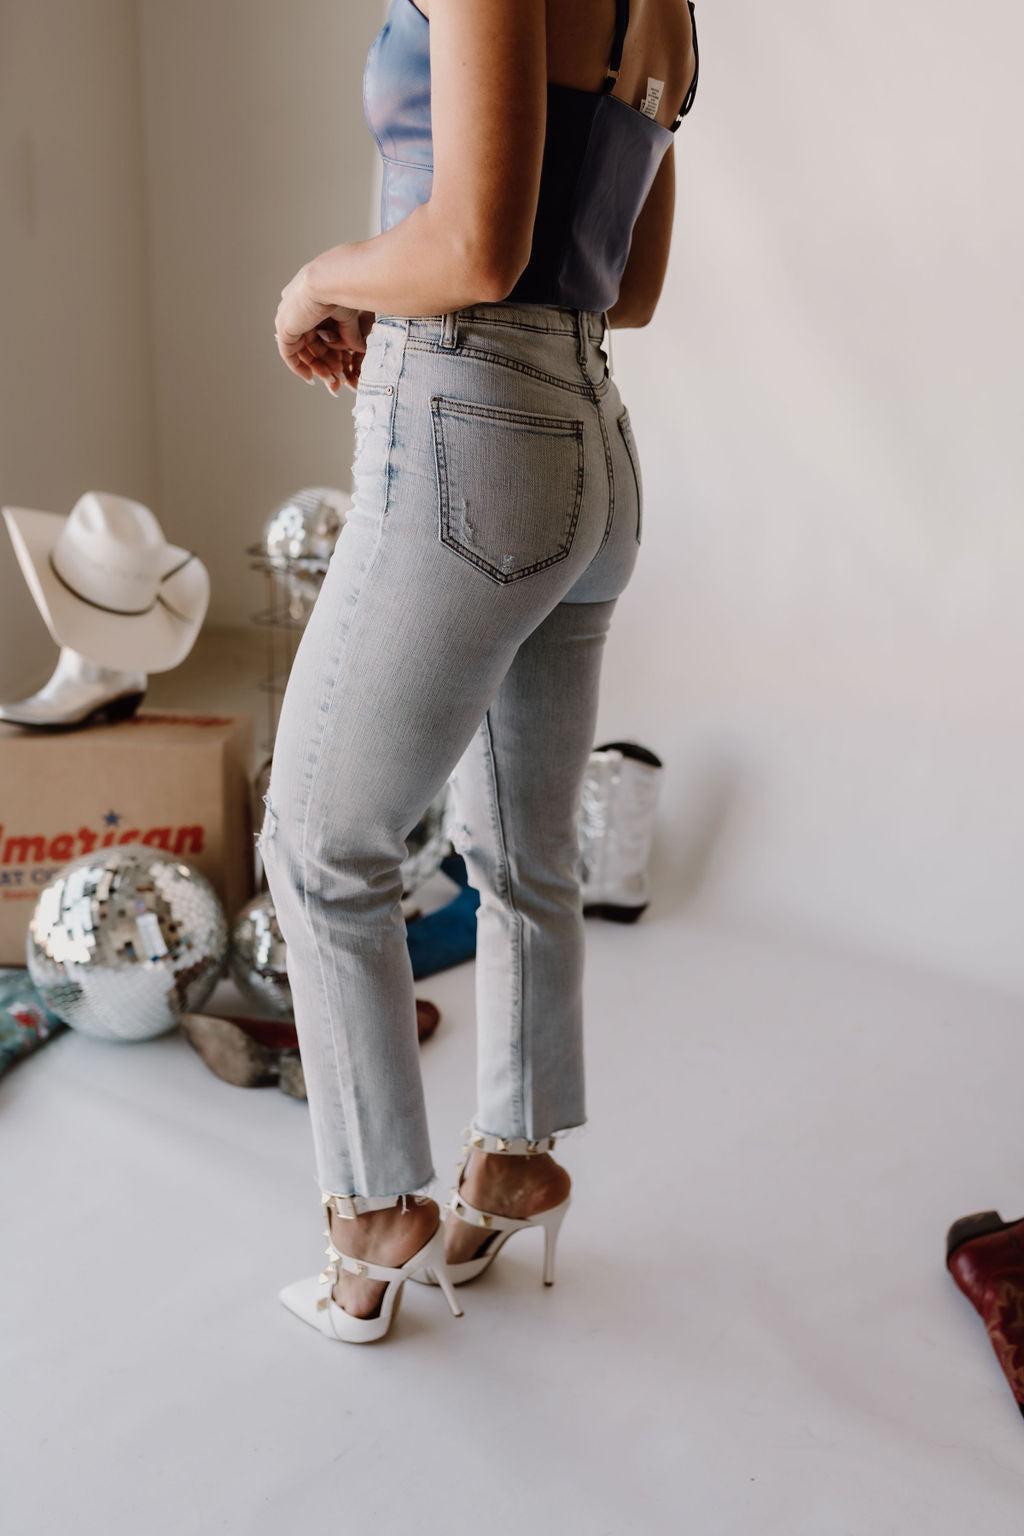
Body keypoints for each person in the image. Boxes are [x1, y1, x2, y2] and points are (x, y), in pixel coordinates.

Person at [262, 0, 700, 1344]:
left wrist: (320, 278)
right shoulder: (670, 12)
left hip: (470, 427)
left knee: (320, 845)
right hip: (591, 441)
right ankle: (513, 1157)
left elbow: (473, 247)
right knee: (521, 845)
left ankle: (371, 1216)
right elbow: (626, 286)